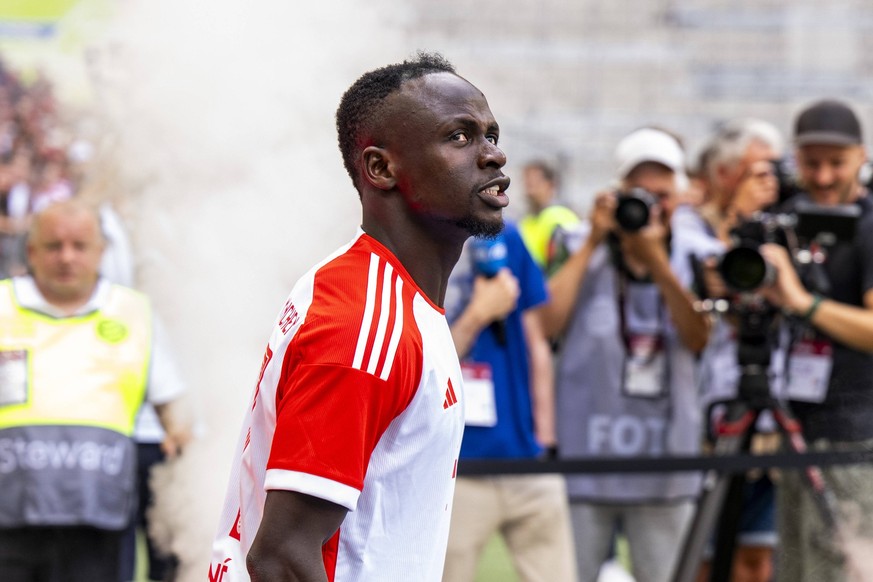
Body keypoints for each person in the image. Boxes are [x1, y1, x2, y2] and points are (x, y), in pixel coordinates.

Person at [209, 52, 510, 582]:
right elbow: (281, 558)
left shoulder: (396, 300)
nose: (493, 155)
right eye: (460, 137)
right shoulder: (366, 322)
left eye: (490, 134)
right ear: (380, 168)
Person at [541, 127, 711, 582]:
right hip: (584, 460)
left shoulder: (698, 253)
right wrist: (594, 240)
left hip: (666, 466)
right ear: (617, 194)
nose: (652, 206)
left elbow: (699, 337)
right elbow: (544, 323)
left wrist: (656, 261)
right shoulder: (575, 243)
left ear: (678, 196)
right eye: (641, 194)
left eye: (662, 194)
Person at [0, 199, 190, 582]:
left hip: (100, 519)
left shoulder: (134, 313)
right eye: (54, 246)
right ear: (32, 251)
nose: (67, 258)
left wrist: (179, 443)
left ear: (101, 252)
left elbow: (175, 412)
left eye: (79, 246)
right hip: (10, 521)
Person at [755, 99, 873, 582]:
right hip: (797, 427)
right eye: (811, 163)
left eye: (836, 163)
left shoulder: (869, 223)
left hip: (854, 436)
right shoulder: (784, 219)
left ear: (861, 158)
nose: (822, 177)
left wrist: (802, 302)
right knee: (798, 571)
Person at [677, 118, 785, 582]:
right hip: (713, 412)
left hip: (773, 407)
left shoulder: (783, 229)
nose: (771, 181)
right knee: (704, 555)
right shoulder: (687, 227)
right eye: (757, 171)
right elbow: (722, 278)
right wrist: (738, 229)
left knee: (758, 557)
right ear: (725, 175)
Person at [441, 222, 577, 582]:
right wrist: (477, 314)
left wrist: (545, 439)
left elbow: (537, 344)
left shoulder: (506, 236)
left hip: (526, 458)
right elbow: (420, 370)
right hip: (455, 469)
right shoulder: (416, 243)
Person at [518, 160, 580, 275]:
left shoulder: (561, 217)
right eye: (527, 181)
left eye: (535, 181)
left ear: (551, 185)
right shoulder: (526, 221)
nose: (529, 187)